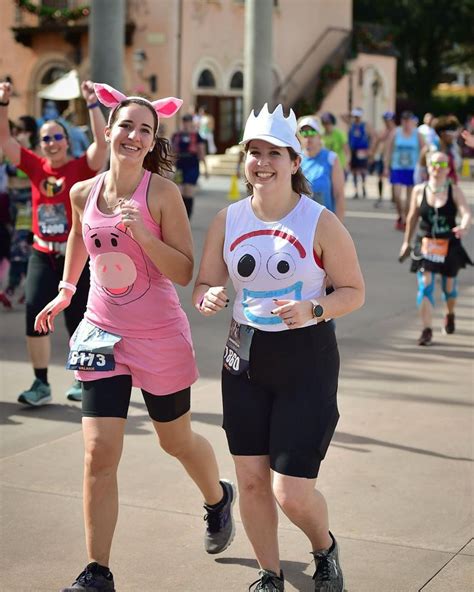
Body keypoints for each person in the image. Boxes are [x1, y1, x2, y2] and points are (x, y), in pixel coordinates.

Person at [34, 83, 236, 592]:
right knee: (98, 453)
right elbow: (80, 236)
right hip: (101, 330)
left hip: (159, 334)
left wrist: (144, 235)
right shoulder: (85, 191)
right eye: (126, 125)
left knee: (176, 440)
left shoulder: (162, 193)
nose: (134, 134)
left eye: (145, 129)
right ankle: (97, 572)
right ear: (109, 130)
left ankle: (217, 497)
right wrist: (65, 290)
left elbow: (186, 271)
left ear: (151, 142)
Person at [193, 103, 365, 591]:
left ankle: (324, 548)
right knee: (249, 480)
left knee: (290, 492)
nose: (262, 162)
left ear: (294, 161)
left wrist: (315, 310)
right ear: (244, 159)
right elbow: (205, 281)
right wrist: (208, 295)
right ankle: (269, 574)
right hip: (244, 358)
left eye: (274, 153)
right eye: (254, 152)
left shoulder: (320, 221)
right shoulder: (227, 219)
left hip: (306, 360)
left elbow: (354, 291)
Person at [0, 80, 108, 405]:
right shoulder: (35, 166)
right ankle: (41, 383)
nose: (51, 142)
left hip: (75, 257)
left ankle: (82, 378)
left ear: (67, 141)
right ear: (40, 143)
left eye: (57, 136)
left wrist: (92, 104)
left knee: (79, 318)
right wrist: (4, 103)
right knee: (35, 313)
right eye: (45, 138)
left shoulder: (80, 167)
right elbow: (4, 139)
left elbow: (102, 147)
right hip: (41, 254)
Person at [399, 151, 471, 345]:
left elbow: (465, 212)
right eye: (434, 164)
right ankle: (426, 329)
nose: (437, 168)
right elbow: (412, 217)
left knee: (449, 288)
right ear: (428, 166)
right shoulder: (419, 190)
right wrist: (406, 242)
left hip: (449, 243)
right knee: (425, 283)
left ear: (448, 169)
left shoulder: (454, 190)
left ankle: (450, 312)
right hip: (426, 244)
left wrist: (463, 226)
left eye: (442, 165)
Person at [5, 115, 38, 301]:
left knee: (20, 245)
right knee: (19, 245)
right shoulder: (13, 149)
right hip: (12, 201)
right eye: (15, 130)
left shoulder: (34, 152)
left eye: (21, 130)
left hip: (27, 202)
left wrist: (25, 147)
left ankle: (12, 286)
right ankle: (26, 285)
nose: (16, 133)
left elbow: (24, 171)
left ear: (30, 132)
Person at [298, 116, 345, 221]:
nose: (307, 137)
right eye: (304, 133)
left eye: (311, 133)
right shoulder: (296, 160)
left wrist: (339, 225)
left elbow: (339, 195)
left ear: (319, 136)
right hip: (302, 221)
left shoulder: (331, 158)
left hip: (325, 221)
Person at [385, 111, 425, 231]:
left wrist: (424, 168)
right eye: (404, 120)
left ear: (412, 121)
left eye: (409, 121)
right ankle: (400, 215)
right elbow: (388, 150)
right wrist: (386, 167)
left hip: (412, 168)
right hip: (397, 167)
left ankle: (406, 220)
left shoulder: (417, 134)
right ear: (401, 121)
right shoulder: (395, 133)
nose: (407, 123)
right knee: (396, 196)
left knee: (409, 198)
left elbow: (424, 150)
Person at [171, 113, 208, 219]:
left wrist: (205, 169)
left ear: (191, 122)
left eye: (188, 122)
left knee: (189, 192)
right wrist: (169, 168)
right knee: (179, 192)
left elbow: (201, 153)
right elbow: (172, 153)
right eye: (184, 122)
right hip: (180, 166)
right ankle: (180, 217)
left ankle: (188, 217)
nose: (186, 124)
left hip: (192, 166)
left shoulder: (197, 136)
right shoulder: (176, 135)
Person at [369, 111, 396, 207]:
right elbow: (377, 142)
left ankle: (394, 199)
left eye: (388, 120)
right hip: (382, 157)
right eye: (385, 120)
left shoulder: (396, 132)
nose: (386, 122)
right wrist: (372, 153)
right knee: (380, 177)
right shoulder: (383, 132)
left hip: (394, 158)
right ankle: (380, 197)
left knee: (393, 179)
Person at [348, 107, 373, 199]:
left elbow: (372, 136)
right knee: (354, 171)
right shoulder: (352, 125)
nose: (356, 118)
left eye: (357, 116)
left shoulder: (365, 125)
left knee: (362, 170)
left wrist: (370, 149)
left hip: (362, 150)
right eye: (355, 116)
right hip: (353, 150)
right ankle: (356, 190)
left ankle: (363, 187)